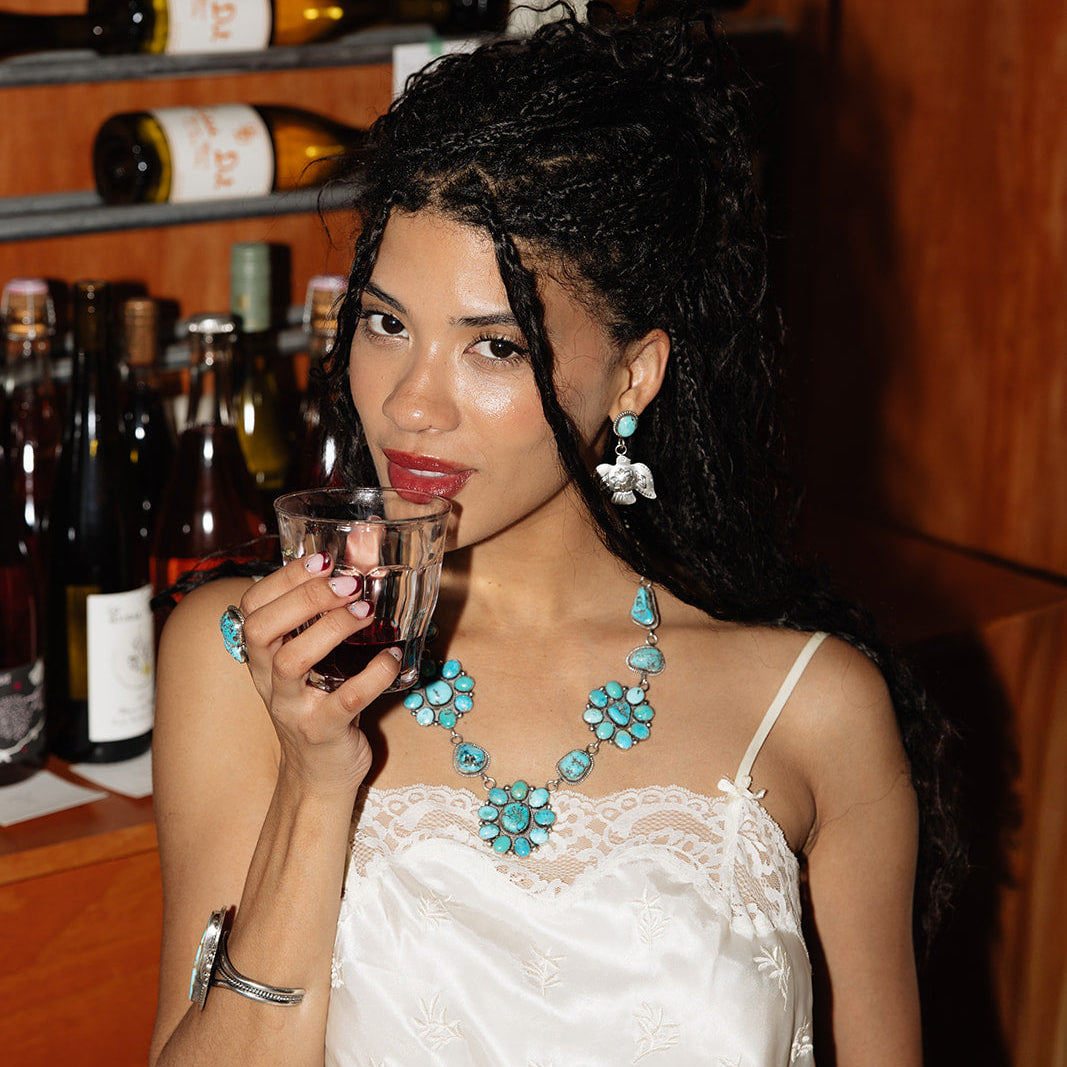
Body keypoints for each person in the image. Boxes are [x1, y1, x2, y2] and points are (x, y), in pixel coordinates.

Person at [149, 6, 959, 1065]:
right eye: (386, 323)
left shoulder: (813, 707)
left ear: (635, 374)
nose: (409, 405)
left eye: (492, 347)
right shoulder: (248, 655)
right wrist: (313, 780)